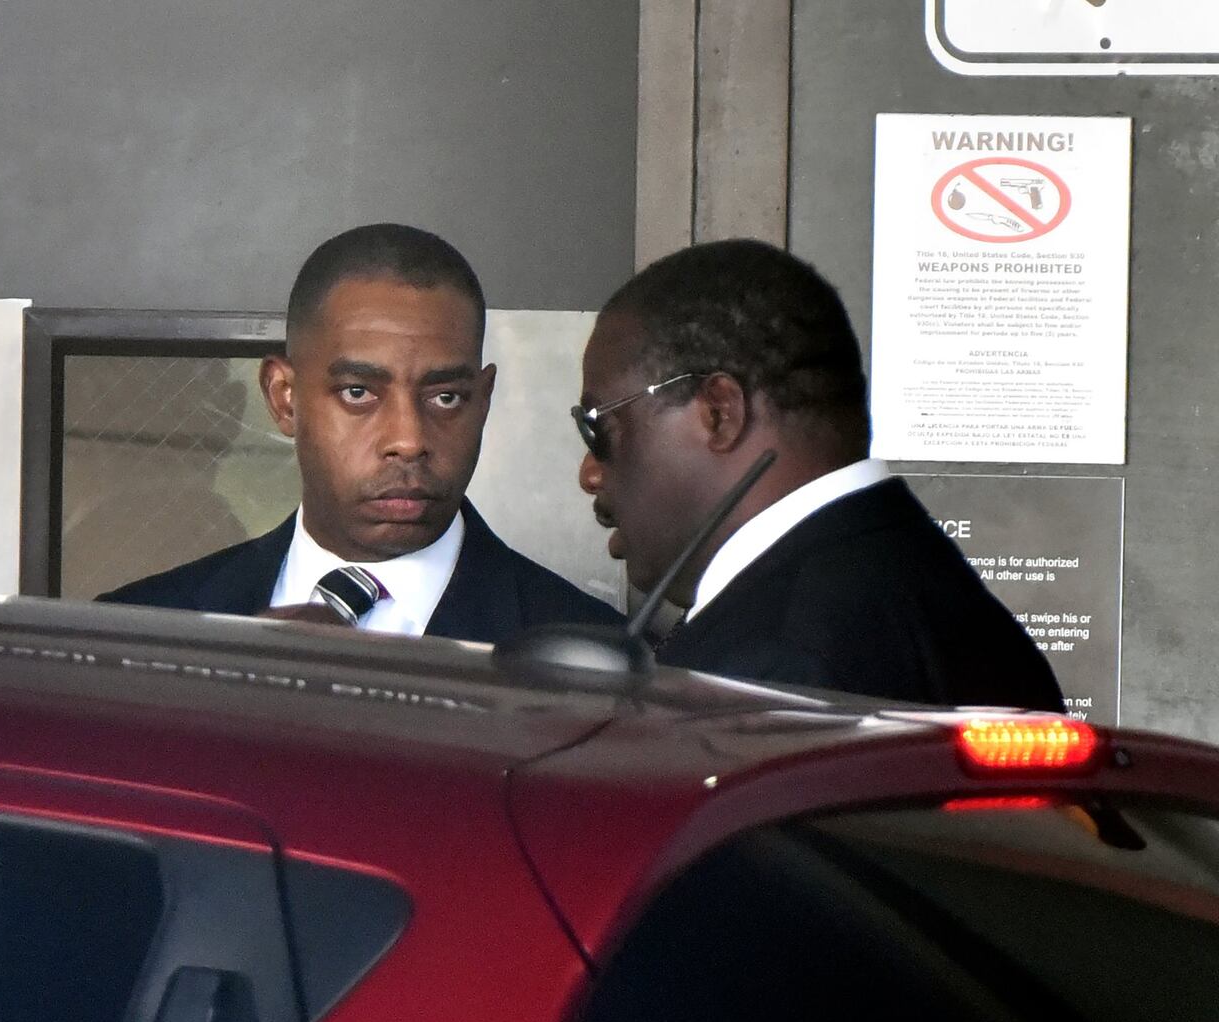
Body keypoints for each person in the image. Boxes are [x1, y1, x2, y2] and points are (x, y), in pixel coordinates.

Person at [575, 238, 1064, 710]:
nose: (590, 475)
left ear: (720, 413)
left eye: (598, 428)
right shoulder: (964, 617)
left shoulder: (765, 674)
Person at [101, 223, 621, 643]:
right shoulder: (137, 634)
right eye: (358, 393)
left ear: (482, 403)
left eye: (446, 397)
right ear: (284, 397)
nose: (409, 440)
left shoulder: (595, 662)